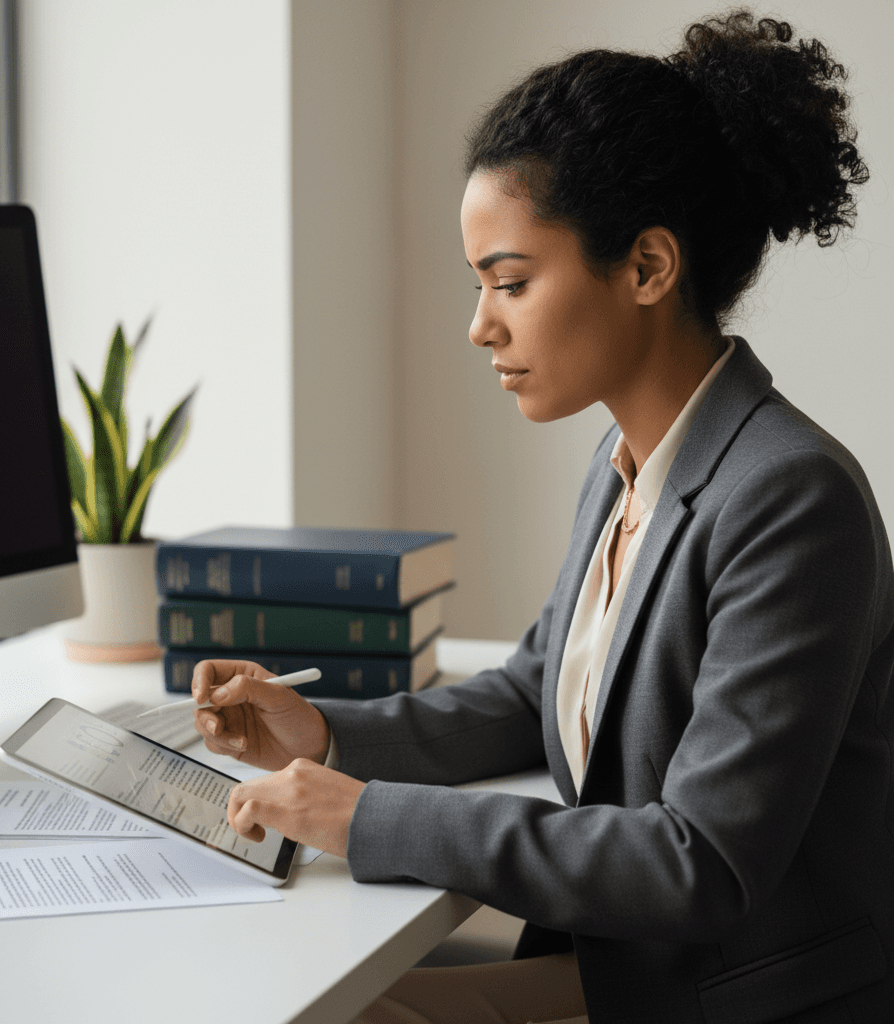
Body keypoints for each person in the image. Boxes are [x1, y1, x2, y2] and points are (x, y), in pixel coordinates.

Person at [192, 11, 892, 1023]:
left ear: (649, 267)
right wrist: (324, 734)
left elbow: (698, 862)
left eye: (509, 282)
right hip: (627, 972)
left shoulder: (791, 499)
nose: (480, 325)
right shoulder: (623, 468)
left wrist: (366, 818)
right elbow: (534, 692)